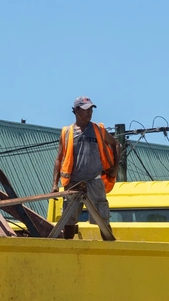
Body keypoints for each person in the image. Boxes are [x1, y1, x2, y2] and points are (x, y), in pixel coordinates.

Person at [50, 96, 119, 241]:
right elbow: (59, 159)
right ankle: (68, 251)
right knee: (68, 221)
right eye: (86, 110)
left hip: (94, 180)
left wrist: (115, 168)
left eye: (91, 109)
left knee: (103, 220)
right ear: (76, 111)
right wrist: (55, 185)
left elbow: (116, 144)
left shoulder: (98, 130)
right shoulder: (67, 132)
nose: (90, 113)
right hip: (73, 182)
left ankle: (111, 250)